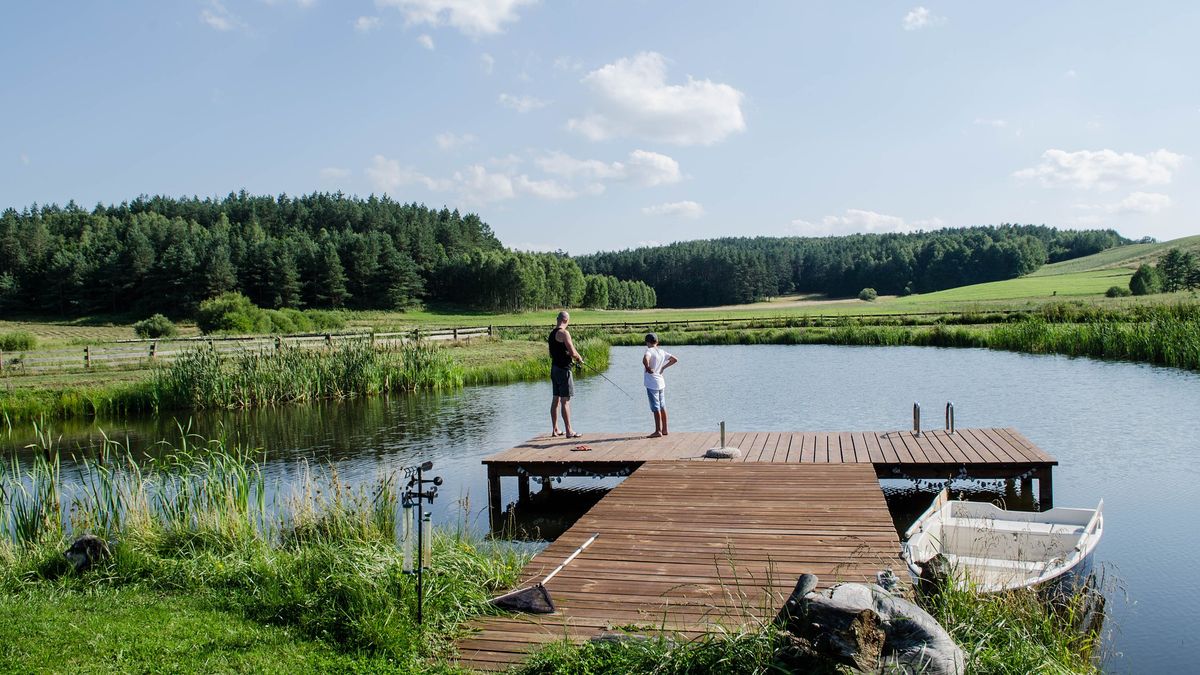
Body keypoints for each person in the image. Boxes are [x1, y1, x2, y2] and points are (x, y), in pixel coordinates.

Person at [548, 311, 583, 438]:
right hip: (564, 370)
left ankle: (555, 429)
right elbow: (573, 351)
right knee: (565, 401)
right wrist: (579, 359)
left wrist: (567, 354)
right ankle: (569, 431)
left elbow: (552, 354)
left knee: (555, 399)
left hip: (554, 369)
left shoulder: (552, 334)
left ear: (558, 319)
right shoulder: (564, 333)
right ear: (566, 320)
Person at [642, 332, 678, 438]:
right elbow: (675, 359)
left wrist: (648, 368)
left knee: (655, 407)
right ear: (657, 342)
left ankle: (658, 431)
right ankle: (665, 429)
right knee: (662, 406)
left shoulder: (649, 350)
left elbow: (645, 359)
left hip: (652, 383)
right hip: (661, 383)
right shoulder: (662, 351)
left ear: (647, 342)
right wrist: (663, 367)